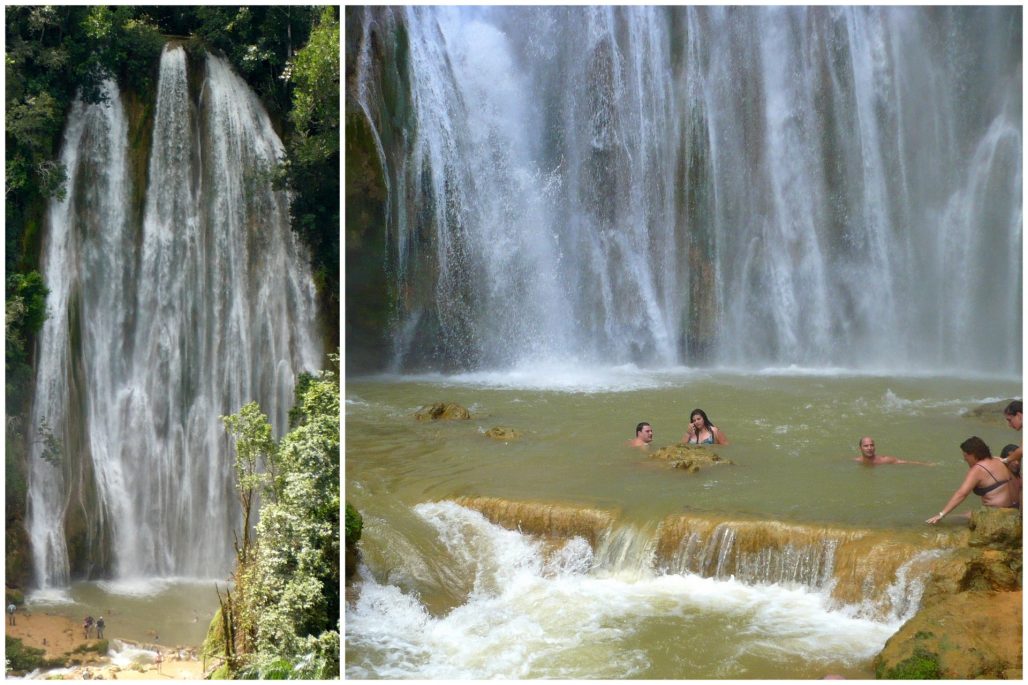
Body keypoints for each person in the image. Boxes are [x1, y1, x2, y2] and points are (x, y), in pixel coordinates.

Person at [926, 436, 1017, 524]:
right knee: (967, 513)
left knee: (951, 519)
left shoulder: (978, 469)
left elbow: (961, 494)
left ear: (973, 454)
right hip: (1014, 510)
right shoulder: (998, 460)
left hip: (996, 515)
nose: (964, 459)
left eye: (965, 455)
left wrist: (941, 514)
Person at [854, 437, 934, 466]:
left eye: (872, 445)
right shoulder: (857, 461)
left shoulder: (884, 460)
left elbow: (904, 462)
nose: (869, 448)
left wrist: (925, 464)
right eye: (866, 446)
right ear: (860, 448)